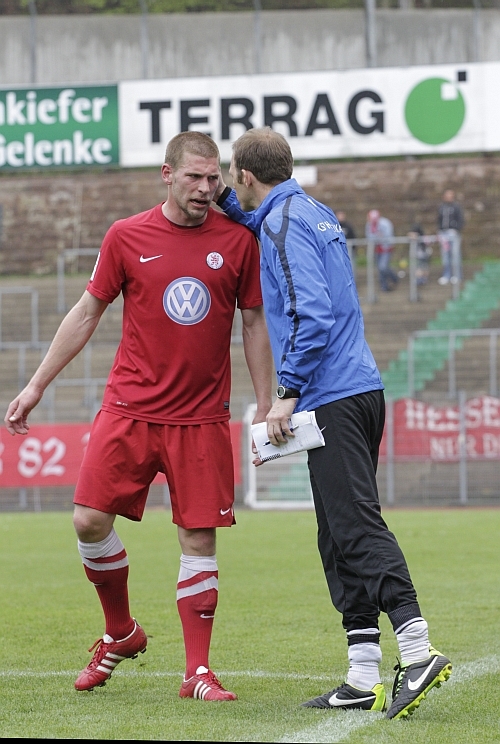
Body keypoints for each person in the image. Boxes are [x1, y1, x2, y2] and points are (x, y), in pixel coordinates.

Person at [4, 131, 273, 701]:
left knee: (198, 539)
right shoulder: (126, 236)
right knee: (87, 522)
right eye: (195, 177)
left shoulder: (238, 242)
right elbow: (86, 313)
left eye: (213, 178)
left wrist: (266, 404)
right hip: (130, 409)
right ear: (167, 173)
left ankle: (196, 672)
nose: (206, 188)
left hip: (201, 418)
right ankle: (121, 631)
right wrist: (34, 387)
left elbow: (254, 324)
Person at [214, 127, 452, 720]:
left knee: (357, 527)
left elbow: (311, 313)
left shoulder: (283, 221)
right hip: (359, 388)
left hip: (332, 394)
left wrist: (284, 395)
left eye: (231, 180)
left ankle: (417, 649)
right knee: (337, 531)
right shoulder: (308, 209)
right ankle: (363, 675)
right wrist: (222, 202)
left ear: (246, 175)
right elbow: (264, 227)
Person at [365, 209, 399, 292]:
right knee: (380, 268)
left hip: (386, 248)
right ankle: (384, 285)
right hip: (376, 249)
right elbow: (369, 236)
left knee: (383, 267)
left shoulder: (385, 223)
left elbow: (388, 235)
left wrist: (378, 237)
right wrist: (377, 237)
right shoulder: (369, 225)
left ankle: (394, 278)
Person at [437, 189, 464, 285]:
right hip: (443, 233)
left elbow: (461, 220)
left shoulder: (456, 207)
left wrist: (456, 229)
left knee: (455, 254)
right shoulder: (442, 207)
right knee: (445, 255)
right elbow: (439, 220)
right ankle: (446, 274)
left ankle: (457, 275)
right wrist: (439, 230)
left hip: (453, 233)